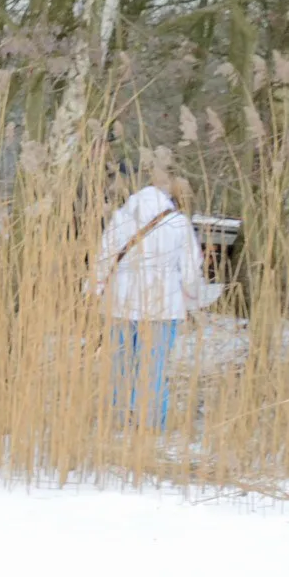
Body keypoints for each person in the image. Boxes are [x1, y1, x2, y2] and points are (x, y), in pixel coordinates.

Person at [93, 168, 219, 429]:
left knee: (120, 364)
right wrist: (192, 301)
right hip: (163, 305)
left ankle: (116, 421)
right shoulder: (177, 222)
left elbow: (103, 260)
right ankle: (149, 424)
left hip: (120, 302)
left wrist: (95, 292)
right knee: (154, 367)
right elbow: (189, 269)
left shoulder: (120, 218)